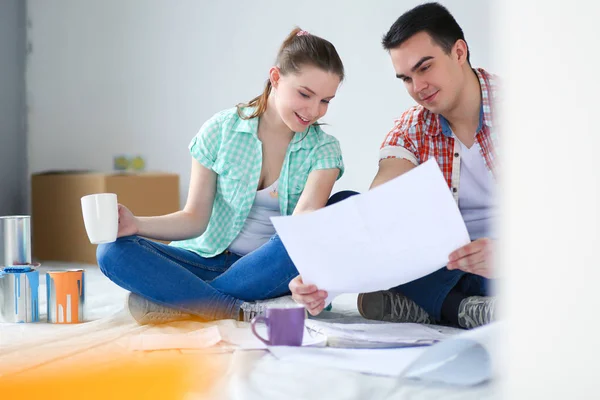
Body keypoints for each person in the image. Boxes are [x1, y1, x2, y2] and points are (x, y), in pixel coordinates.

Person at [97, 27, 345, 325]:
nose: (314, 110)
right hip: (205, 260)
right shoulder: (221, 130)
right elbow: (193, 219)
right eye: (305, 94)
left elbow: (304, 223)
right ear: (276, 78)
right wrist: (136, 224)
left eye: (325, 100)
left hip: (268, 269)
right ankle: (232, 308)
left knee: (320, 225)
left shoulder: (324, 148)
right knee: (111, 251)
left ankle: (183, 301)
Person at [289, 3, 499, 329]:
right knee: (344, 203)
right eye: (406, 78)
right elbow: (378, 205)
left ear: (459, 52)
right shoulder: (411, 128)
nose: (418, 87)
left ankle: (433, 307)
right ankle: (463, 309)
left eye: (425, 68)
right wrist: (323, 273)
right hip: (446, 270)